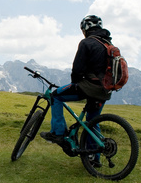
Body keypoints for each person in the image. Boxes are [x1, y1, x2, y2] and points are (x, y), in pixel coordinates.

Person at [40, 15, 112, 167]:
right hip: (105, 91)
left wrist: (74, 83)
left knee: (55, 96)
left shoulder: (87, 43)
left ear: (85, 28)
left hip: (89, 87)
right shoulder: (108, 44)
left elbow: (77, 69)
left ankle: (58, 134)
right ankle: (94, 158)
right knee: (92, 121)